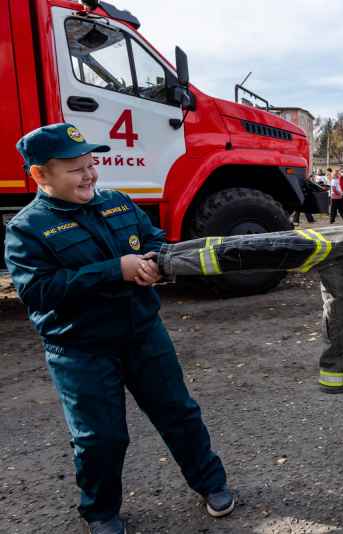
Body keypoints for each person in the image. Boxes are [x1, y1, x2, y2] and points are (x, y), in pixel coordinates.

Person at [3, 124, 233, 534]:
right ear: (40, 175)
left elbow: (154, 241)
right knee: (100, 439)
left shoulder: (117, 202)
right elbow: (38, 291)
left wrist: (156, 264)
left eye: (92, 165)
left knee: (180, 413)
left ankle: (211, 483)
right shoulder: (25, 229)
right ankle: (101, 512)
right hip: (81, 351)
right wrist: (116, 270)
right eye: (76, 169)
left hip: (144, 337)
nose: (90, 175)